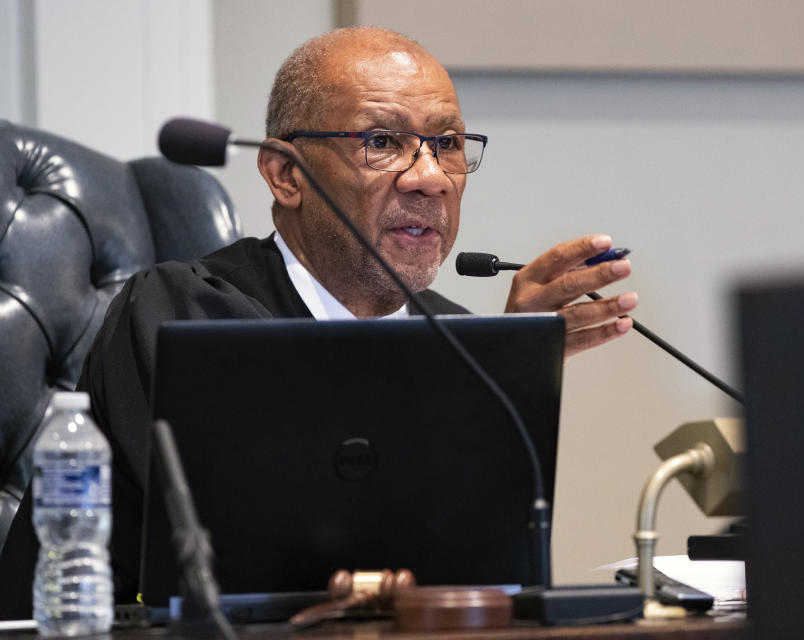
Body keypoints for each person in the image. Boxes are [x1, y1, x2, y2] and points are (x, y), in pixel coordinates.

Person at [74, 26, 638, 602]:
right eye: (381, 141)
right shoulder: (179, 314)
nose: (431, 178)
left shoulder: (458, 339)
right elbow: (241, 563)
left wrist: (509, 369)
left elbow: (483, 578)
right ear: (285, 174)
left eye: (447, 144)